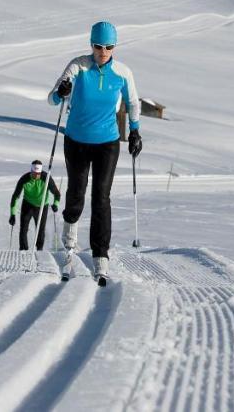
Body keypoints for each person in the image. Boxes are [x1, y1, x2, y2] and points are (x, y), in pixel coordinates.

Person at [49, 20, 142, 281]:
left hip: (107, 142)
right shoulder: (78, 66)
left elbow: (133, 102)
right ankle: (69, 244)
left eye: (108, 46)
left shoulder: (123, 72)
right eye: (98, 46)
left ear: (115, 47)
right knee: (76, 192)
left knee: (102, 197)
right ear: (91, 44)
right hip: (76, 140)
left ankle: (100, 254)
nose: (103, 51)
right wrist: (62, 91)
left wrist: (134, 131)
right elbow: (52, 98)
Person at [9, 159, 61, 251]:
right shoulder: (24, 179)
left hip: (42, 206)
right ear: (31, 171)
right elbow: (15, 197)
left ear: (40, 172)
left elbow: (57, 194)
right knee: (23, 229)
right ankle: (23, 250)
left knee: (40, 230)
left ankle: (39, 249)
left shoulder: (46, 178)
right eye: (34, 173)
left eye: (38, 174)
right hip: (27, 204)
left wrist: (56, 204)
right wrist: (12, 214)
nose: (36, 176)